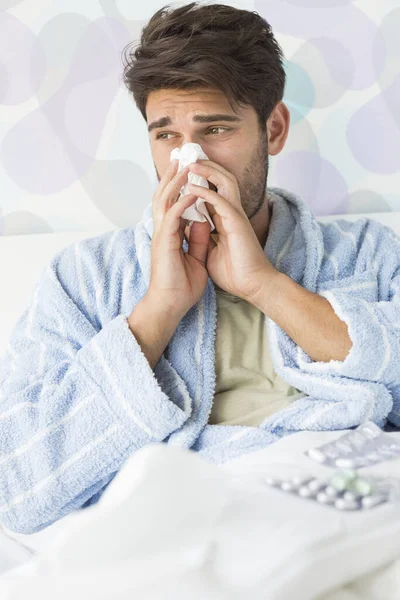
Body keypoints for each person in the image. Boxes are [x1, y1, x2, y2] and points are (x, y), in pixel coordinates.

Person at [0, 1, 399, 535]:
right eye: (165, 134)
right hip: (172, 523)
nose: (190, 160)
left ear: (273, 129)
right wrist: (156, 314)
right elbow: (19, 483)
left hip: (328, 507)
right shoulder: (83, 279)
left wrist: (264, 283)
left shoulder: (367, 254)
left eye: (215, 129)